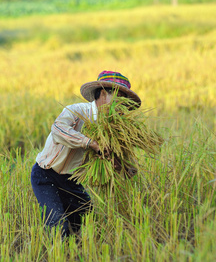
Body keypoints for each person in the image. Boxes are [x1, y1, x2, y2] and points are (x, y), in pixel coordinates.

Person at [30, 70, 141, 237]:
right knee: (58, 225)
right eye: (119, 100)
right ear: (103, 94)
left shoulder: (111, 129)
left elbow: (107, 155)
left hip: (71, 180)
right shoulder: (76, 111)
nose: (121, 108)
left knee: (87, 218)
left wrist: (123, 167)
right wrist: (90, 143)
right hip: (46, 175)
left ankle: (78, 251)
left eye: (124, 104)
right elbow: (58, 130)